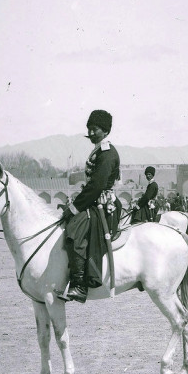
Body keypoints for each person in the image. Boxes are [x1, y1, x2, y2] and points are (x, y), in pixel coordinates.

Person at [58, 109, 121, 303]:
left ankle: (79, 284)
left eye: (95, 129)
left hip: (103, 203)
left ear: (105, 130)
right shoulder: (98, 150)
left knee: (76, 226)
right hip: (95, 200)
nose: (91, 133)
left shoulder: (107, 153)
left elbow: (97, 185)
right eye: (89, 129)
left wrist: (75, 208)